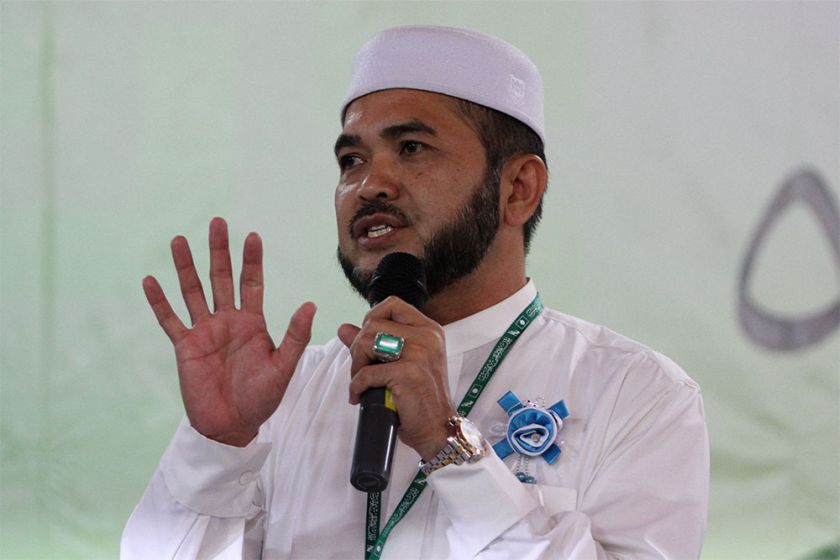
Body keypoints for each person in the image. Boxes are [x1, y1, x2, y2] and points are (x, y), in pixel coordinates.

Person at [122, 25, 709, 559]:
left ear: (519, 189)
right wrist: (219, 447)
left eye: (412, 148)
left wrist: (452, 448)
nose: (369, 185)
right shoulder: (288, 394)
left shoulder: (638, 395)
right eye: (352, 159)